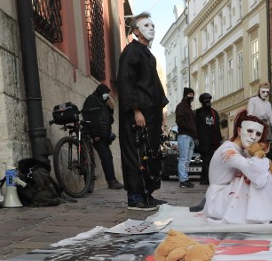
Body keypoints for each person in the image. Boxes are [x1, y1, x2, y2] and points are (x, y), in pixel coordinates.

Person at [117, 12, 169, 210]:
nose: (151, 28)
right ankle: (135, 196)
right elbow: (126, 83)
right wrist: (136, 110)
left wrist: (160, 111)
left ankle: (147, 193)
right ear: (136, 31)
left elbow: (154, 85)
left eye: (153, 25)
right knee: (136, 154)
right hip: (137, 116)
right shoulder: (131, 52)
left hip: (151, 115)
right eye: (146, 25)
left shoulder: (148, 55)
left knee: (150, 153)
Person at [82, 84, 123, 190]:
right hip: (96, 135)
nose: (107, 95)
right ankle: (111, 181)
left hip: (103, 136)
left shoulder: (102, 102)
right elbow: (91, 117)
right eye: (105, 93)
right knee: (106, 157)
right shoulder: (92, 100)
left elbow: (109, 119)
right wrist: (95, 134)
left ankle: (112, 180)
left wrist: (111, 108)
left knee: (108, 157)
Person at [194, 92, 222, 185]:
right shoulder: (198, 113)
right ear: (202, 102)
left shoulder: (214, 113)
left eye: (209, 100)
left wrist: (219, 139)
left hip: (213, 141)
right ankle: (208, 178)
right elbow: (196, 126)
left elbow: (217, 127)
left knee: (209, 160)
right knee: (207, 160)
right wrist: (196, 138)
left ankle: (204, 178)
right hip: (203, 141)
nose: (208, 102)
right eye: (206, 101)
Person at [175, 87, 197, 188]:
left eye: (192, 95)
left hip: (190, 136)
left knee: (187, 160)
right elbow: (179, 121)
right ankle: (183, 180)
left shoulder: (189, 107)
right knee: (183, 159)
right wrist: (189, 128)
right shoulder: (181, 106)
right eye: (189, 95)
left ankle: (186, 179)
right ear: (185, 95)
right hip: (184, 135)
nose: (191, 96)